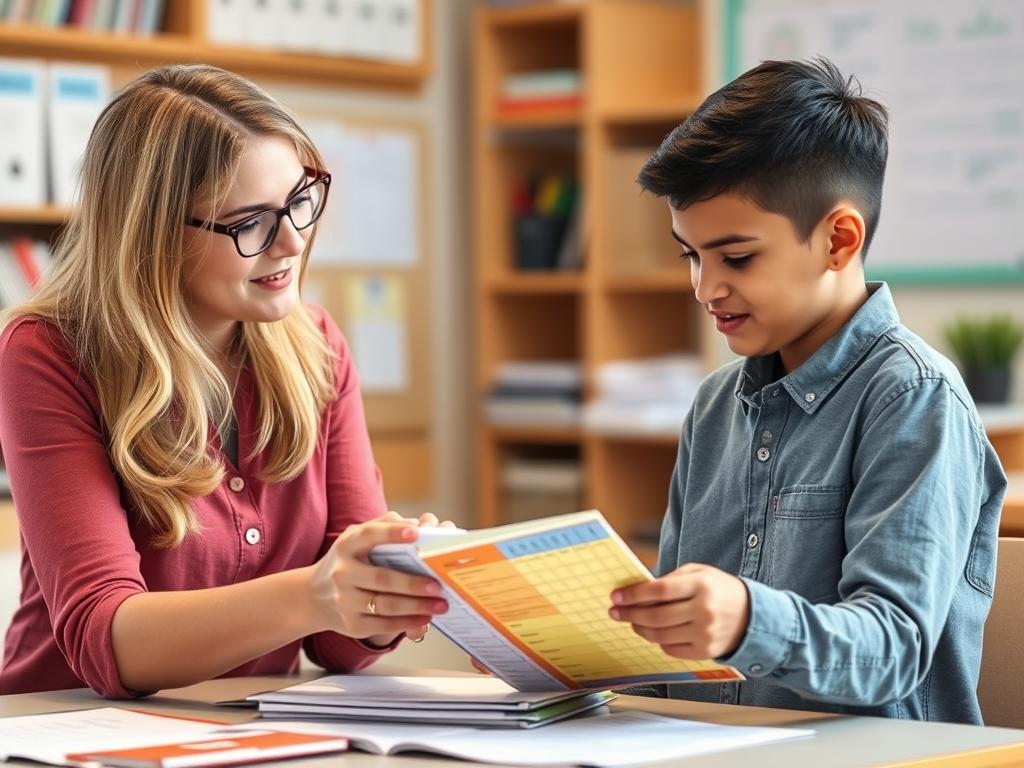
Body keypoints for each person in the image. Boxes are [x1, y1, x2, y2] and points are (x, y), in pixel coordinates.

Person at [0, 65, 450, 698]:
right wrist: (317, 593)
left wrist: (389, 585)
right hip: (59, 732)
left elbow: (339, 648)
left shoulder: (316, 345)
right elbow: (106, 636)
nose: (292, 241)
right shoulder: (48, 352)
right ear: (151, 236)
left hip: (252, 734)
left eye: (299, 200)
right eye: (250, 223)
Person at [608, 58, 1006, 723]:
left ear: (838, 240)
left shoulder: (913, 399)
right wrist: (544, 653)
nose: (706, 288)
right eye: (691, 256)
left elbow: (893, 651)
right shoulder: (714, 407)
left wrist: (747, 622)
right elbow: (666, 660)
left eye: (736, 257)